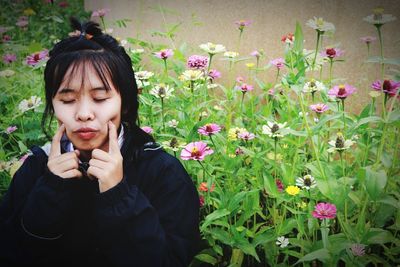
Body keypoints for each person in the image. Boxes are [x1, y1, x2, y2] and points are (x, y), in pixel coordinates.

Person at [0, 18, 200, 266]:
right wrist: (50, 191)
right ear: (53, 105)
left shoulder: (162, 173)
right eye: (68, 99)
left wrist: (119, 195)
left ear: (125, 103)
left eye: (100, 97)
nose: (83, 113)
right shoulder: (36, 168)